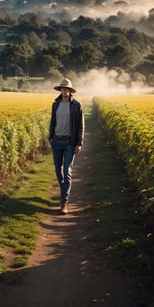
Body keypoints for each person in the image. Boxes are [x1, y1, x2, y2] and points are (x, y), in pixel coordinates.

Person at [49, 78, 85, 214]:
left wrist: (79, 143)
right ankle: (64, 191)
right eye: (63, 88)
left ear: (70, 91)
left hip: (70, 142)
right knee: (58, 171)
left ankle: (64, 202)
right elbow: (53, 122)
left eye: (67, 89)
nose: (65, 91)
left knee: (67, 171)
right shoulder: (55, 104)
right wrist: (51, 138)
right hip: (56, 141)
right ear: (60, 90)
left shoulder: (77, 105)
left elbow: (81, 125)